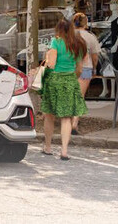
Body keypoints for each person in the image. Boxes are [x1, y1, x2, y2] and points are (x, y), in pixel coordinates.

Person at [40, 18, 88, 160]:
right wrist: (72, 76)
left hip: (54, 80)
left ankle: (48, 147)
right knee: (66, 117)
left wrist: (47, 59)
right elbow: (79, 69)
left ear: (59, 29)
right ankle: (64, 151)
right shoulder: (77, 44)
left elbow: (52, 64)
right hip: (70, 80)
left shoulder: (56, 41)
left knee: (49, 115)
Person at [71, 13, 99, 134]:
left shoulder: (67, 36)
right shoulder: (90, 37)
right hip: (85, 67)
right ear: (85, 23)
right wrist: (94, 68)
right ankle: (74, 123)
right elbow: (95, 56)